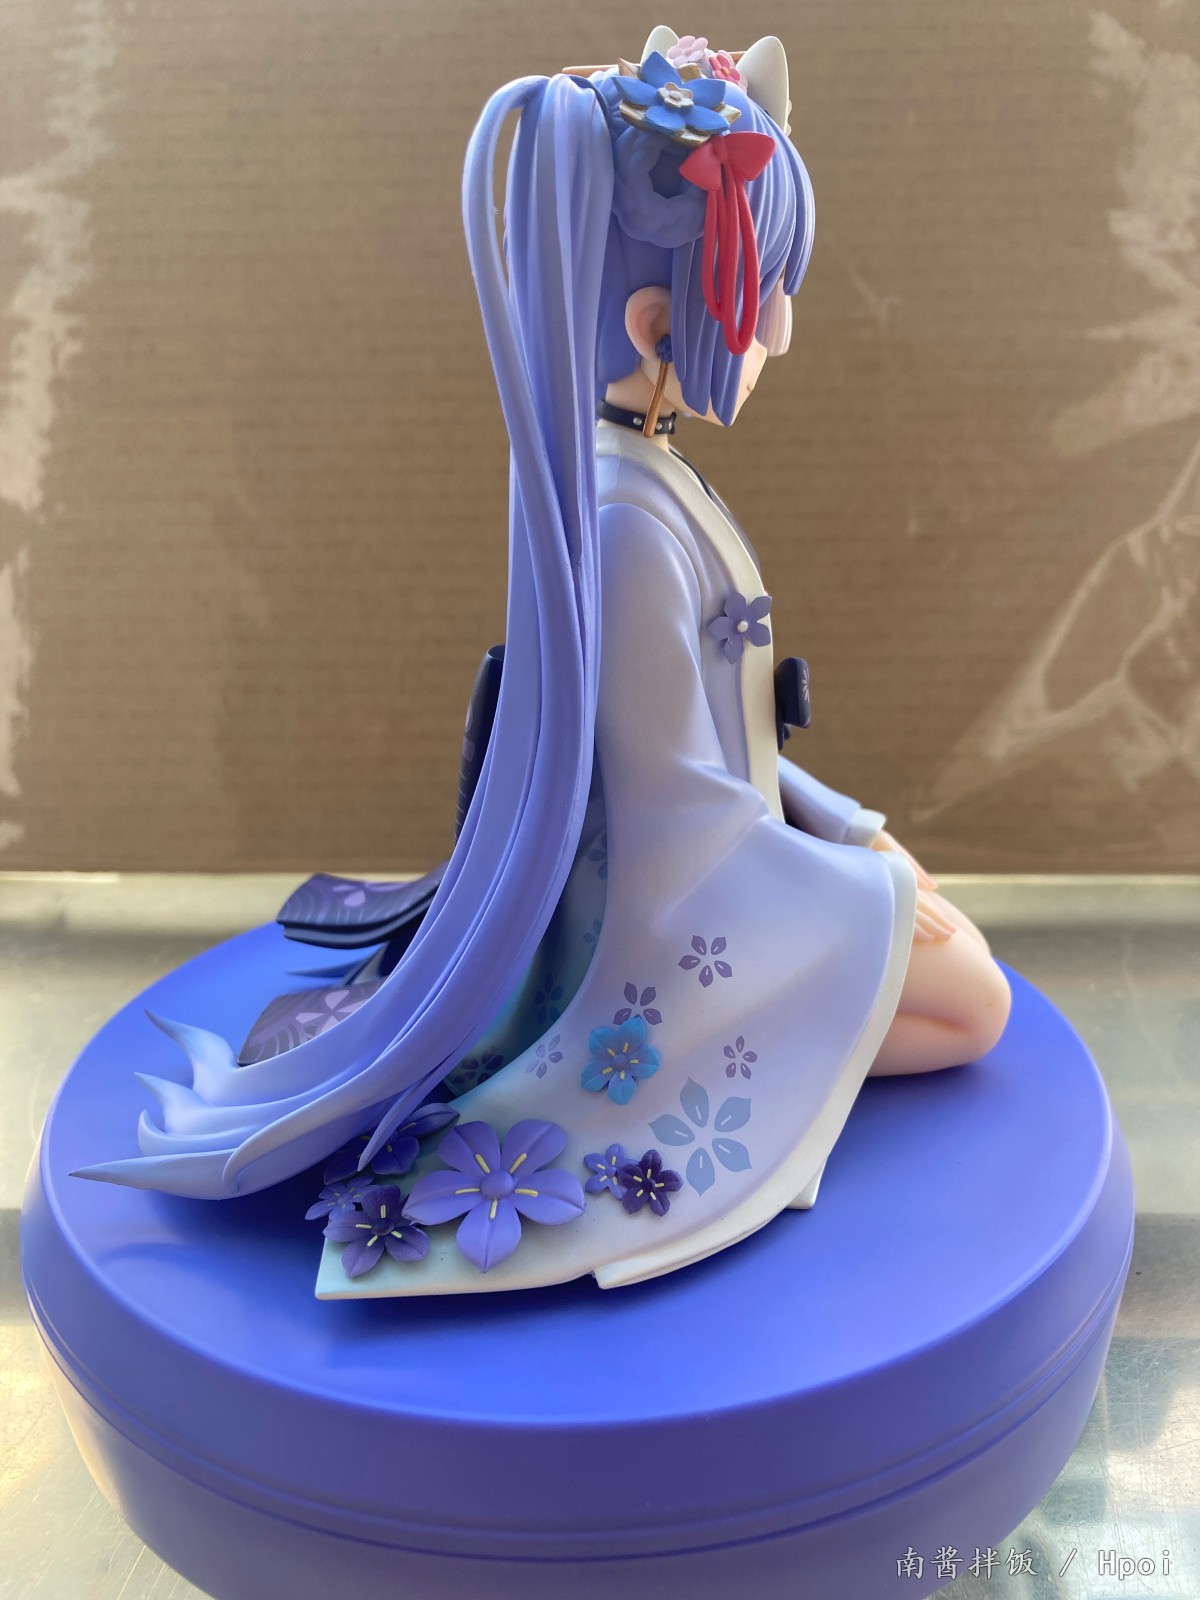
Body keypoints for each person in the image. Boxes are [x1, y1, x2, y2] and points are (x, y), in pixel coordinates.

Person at [78, 32, 1009, 1295]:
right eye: (761, 295)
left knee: (944, 959)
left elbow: (720, 757)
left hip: (718, 859)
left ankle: (828, 980)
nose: (782, 331)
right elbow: (680, 814)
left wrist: (853, 834)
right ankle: (743, 1053)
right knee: (974, 1004)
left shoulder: (623, 482)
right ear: (654, 323)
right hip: (664, 912)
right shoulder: (624, 520)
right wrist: (866, 898)